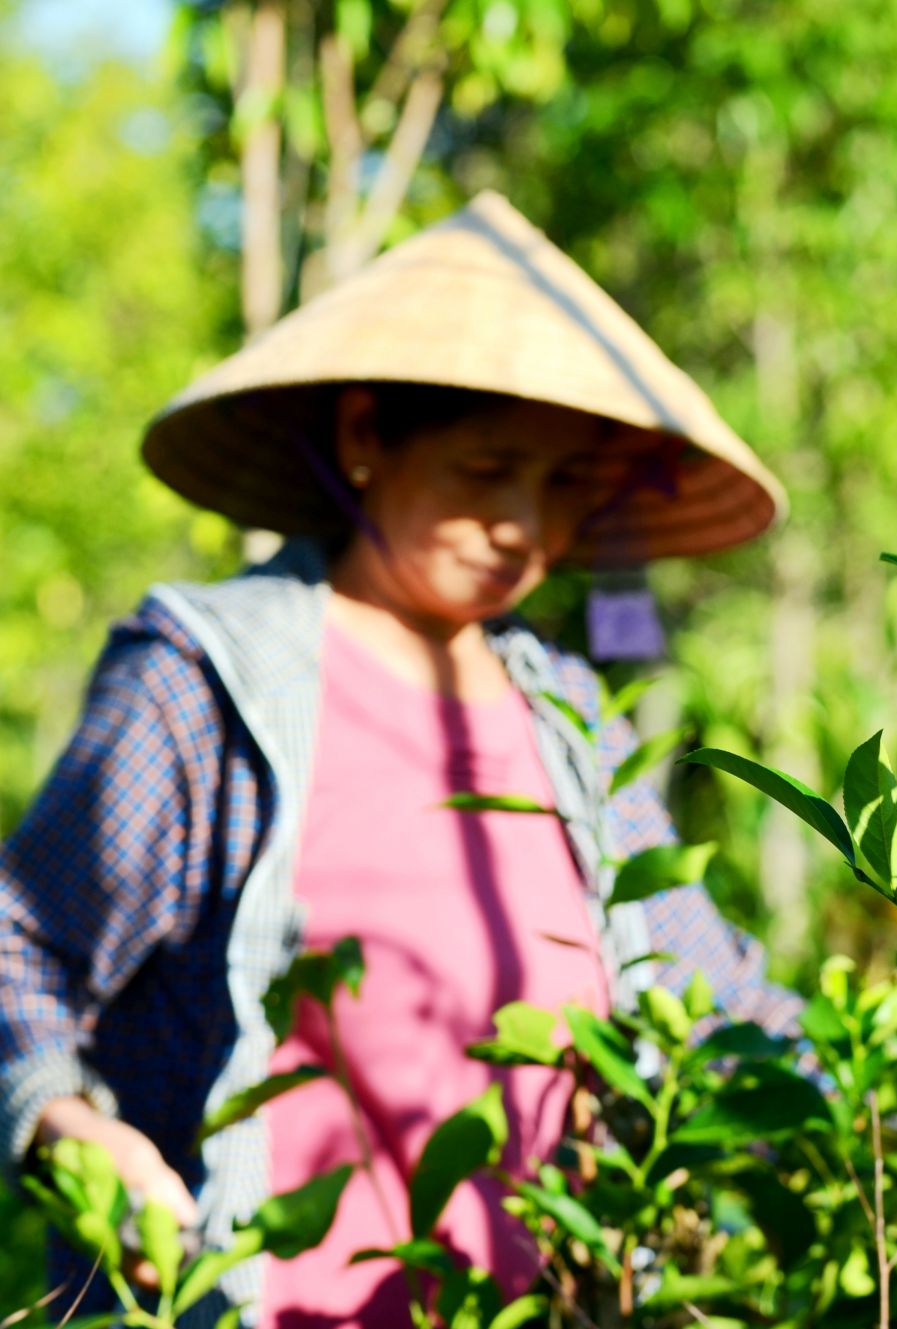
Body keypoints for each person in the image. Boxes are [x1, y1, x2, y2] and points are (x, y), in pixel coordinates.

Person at [0, 192, 799, 1325]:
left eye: (566, 482)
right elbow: (20, 944)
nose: (524, 524)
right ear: (365, 437)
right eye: (487, 468)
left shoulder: (567, 714)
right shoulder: (208, 686)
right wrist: (66, 1125)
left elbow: (712, 999)